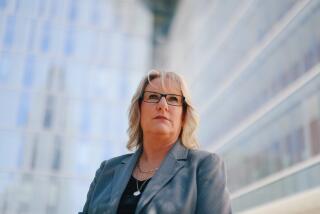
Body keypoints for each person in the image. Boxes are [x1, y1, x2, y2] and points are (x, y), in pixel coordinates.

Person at [79, 70, 232, 214]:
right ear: (139, 109)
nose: (163, 105)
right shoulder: (107, 171)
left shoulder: (205, 166)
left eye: (173, 99)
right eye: (153, 97)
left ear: (184, 116)